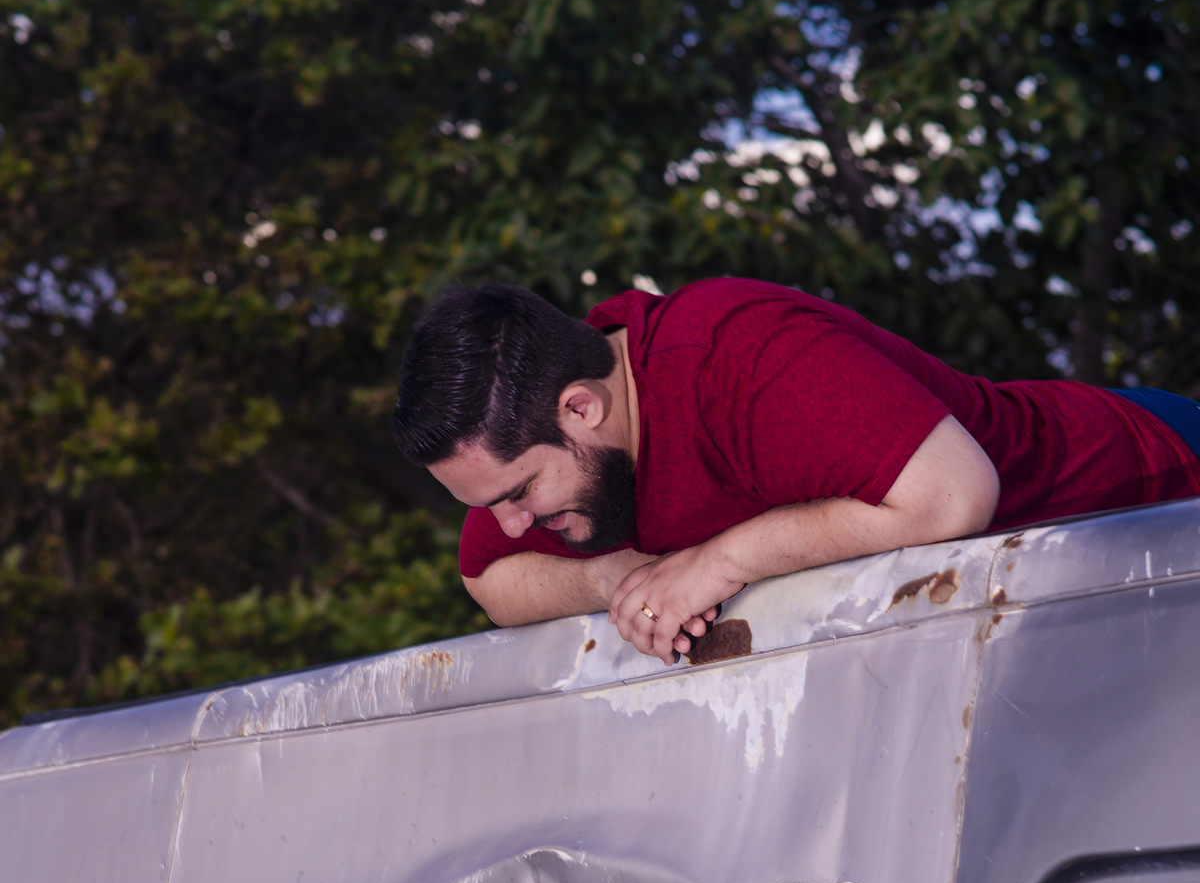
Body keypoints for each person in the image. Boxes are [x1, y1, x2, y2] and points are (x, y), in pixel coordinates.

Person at [391, 277, 1200, 666]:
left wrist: (716, 561)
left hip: (1154, 484)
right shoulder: (550, 461)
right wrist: (618, 580)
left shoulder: (741, 354)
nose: (508, 524)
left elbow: (953, 497)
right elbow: (490, 581)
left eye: (517, 495)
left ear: (580, 409)